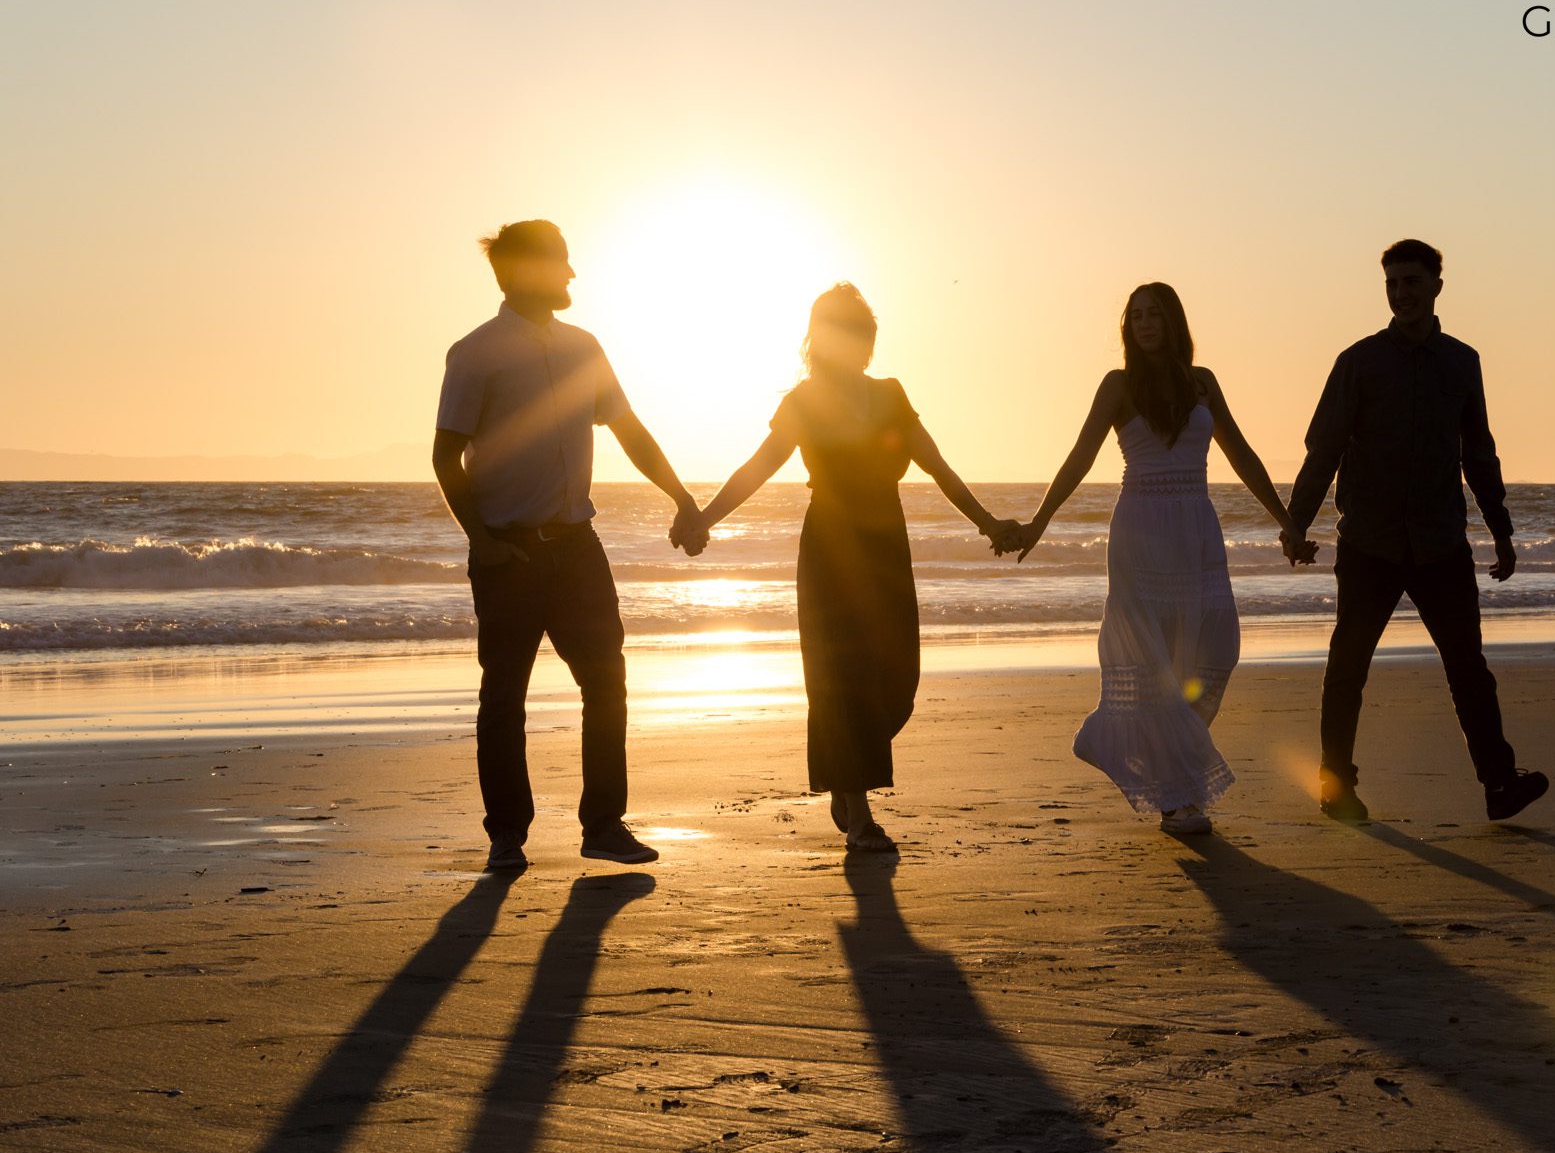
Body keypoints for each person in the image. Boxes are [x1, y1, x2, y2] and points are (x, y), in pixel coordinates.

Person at [680, 284, 1018, 854]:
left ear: (868, 338)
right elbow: (759, 467)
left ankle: (844, 772)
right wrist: (704, 519)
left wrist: (988, 523)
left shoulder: (890, 394)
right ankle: (860, 815)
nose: (848, 340)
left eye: (857, 330)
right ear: (818, 339)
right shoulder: (804, 401)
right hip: (831, 548)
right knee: (844, 677)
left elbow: (936, 464)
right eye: (835, 330)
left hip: (885, 543)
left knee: (898, 682)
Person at [433, 219, 705, 872]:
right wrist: (482, 541)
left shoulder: (584, 347)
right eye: (560, 262)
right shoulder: (475, 353)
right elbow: (445, 457)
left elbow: (629, 429)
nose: (573, 274)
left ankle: (603, 826)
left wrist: (682, 496)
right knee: (504, 697)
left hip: (578, 545)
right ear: (522, 272)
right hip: (509, 553)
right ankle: (507, 835)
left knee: (606, 681)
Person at [1016, 283, 1314, 836]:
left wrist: (1288, 522)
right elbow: (1080, 456)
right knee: (1154, 663)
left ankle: (1169, 771)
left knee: (1213, 647)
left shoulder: (1203, 383)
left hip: (1196, 530)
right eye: (1136, 316)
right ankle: (1178, 798)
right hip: (1140, 532)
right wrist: (1039, 521)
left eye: (1154, 314)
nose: (1145, 324)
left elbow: (1242, 454)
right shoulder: (1118, 385)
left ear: (1174, 321)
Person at [1286, 239, 1547, 824]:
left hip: (1440, 544)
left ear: (1436, 287)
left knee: (1468, 670)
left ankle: (1500, 784)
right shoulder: (1358, 362)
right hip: (1369, 544)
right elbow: (1323, 449)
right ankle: (1336, 787)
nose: (1401, 293)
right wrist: (1295, 523)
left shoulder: (1462, 362)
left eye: (1411, 282)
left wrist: (1501, 530)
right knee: (1347, 669)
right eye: (1392, 284)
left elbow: (1478, 452)